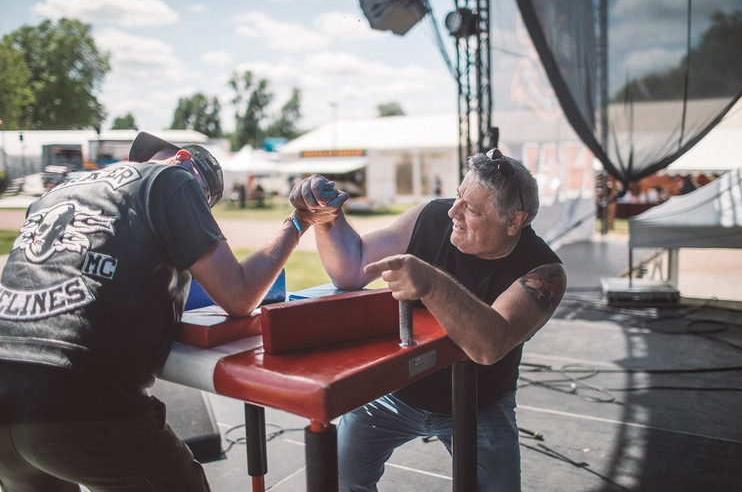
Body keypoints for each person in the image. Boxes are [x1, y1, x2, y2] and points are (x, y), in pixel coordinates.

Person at [0, 131, 339, 491]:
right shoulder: (176, 177)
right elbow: (239, 296)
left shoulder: (58, 192)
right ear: (183, 160)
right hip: (79, 400)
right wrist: (299, 220)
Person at [290, 148, 566, 491]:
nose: (454, 212)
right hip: (395, 392)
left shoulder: (544, 271)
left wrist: (432, 283)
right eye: (458, 196)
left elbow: (490, 345)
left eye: (472, 209)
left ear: (514, 221)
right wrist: (329, 219)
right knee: (339, 478)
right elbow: (351, 268)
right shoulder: (431, 216)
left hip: (480, 403)